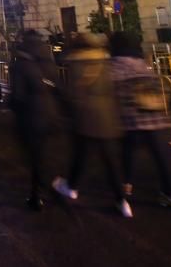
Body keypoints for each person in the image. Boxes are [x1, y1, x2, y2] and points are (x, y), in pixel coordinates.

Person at [52, 32, 132, 218]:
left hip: (86, 118)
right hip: (108, 118)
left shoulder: (77, 64)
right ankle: (122, 201)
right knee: (111, 162)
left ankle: (71, 187)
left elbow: (74, 94)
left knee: (81, 156)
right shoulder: (106, 62)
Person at [108, 31, 171, 211]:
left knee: (127, 152)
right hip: (155, 118)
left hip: (130, 119)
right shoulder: (143, 64)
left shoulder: (114, 66)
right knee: (163, 157)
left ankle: (126, 187)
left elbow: (109, 92)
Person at [8, 30, 61, 210]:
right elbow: (57, 84)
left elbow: (18, 95)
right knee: (45, 153)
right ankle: (49, 183)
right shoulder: (48, 58)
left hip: (30, 116)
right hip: (50, 113)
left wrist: (12, 105)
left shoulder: (21, 63)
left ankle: (38, 193)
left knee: (34, 156)